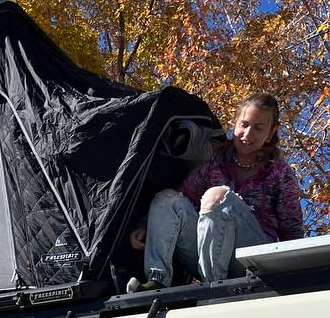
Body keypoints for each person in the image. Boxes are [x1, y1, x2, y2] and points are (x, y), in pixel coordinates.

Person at [128, 94, 304, 291]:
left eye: (258, 128)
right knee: (167, 198)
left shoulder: (279, 173)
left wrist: (293, 281)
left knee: (217, 196)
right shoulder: (216, 164)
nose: (247, 133)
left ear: (271, 133)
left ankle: (214, 288)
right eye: (244, 124)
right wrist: (145, 226)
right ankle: (157, 279)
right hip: (205, 258)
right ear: (234, 124)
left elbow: (292, 230)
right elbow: (183, 195)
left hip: (251, 261)